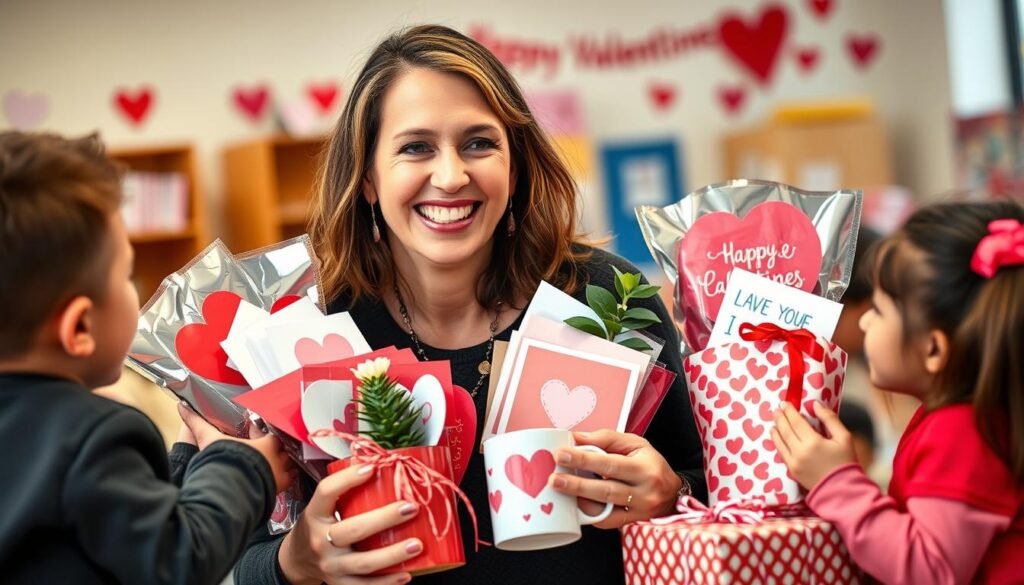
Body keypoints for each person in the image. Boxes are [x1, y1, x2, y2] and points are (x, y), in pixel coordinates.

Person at [234, 24, 705, 585]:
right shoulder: (311, 328)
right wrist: (294, 561)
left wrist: (675, 494)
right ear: (367, 178)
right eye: (415, 148)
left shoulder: (608, 298)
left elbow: (717, 492)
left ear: (515, 165)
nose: (452, 175)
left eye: (480, 143)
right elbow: (233, 560)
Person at [0, 131, 294, 584]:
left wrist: (183, 460)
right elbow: (179, 558)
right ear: (79, 328)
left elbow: (128, 525)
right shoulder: (95, 435)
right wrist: (247, 468)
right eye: (126, 274)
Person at [772, 200, 1024, 583]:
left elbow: (928, 571)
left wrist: (837, 481)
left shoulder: (961, 430)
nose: (867, 321)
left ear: (933, 349)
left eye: (879, 308)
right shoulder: (957, 418)